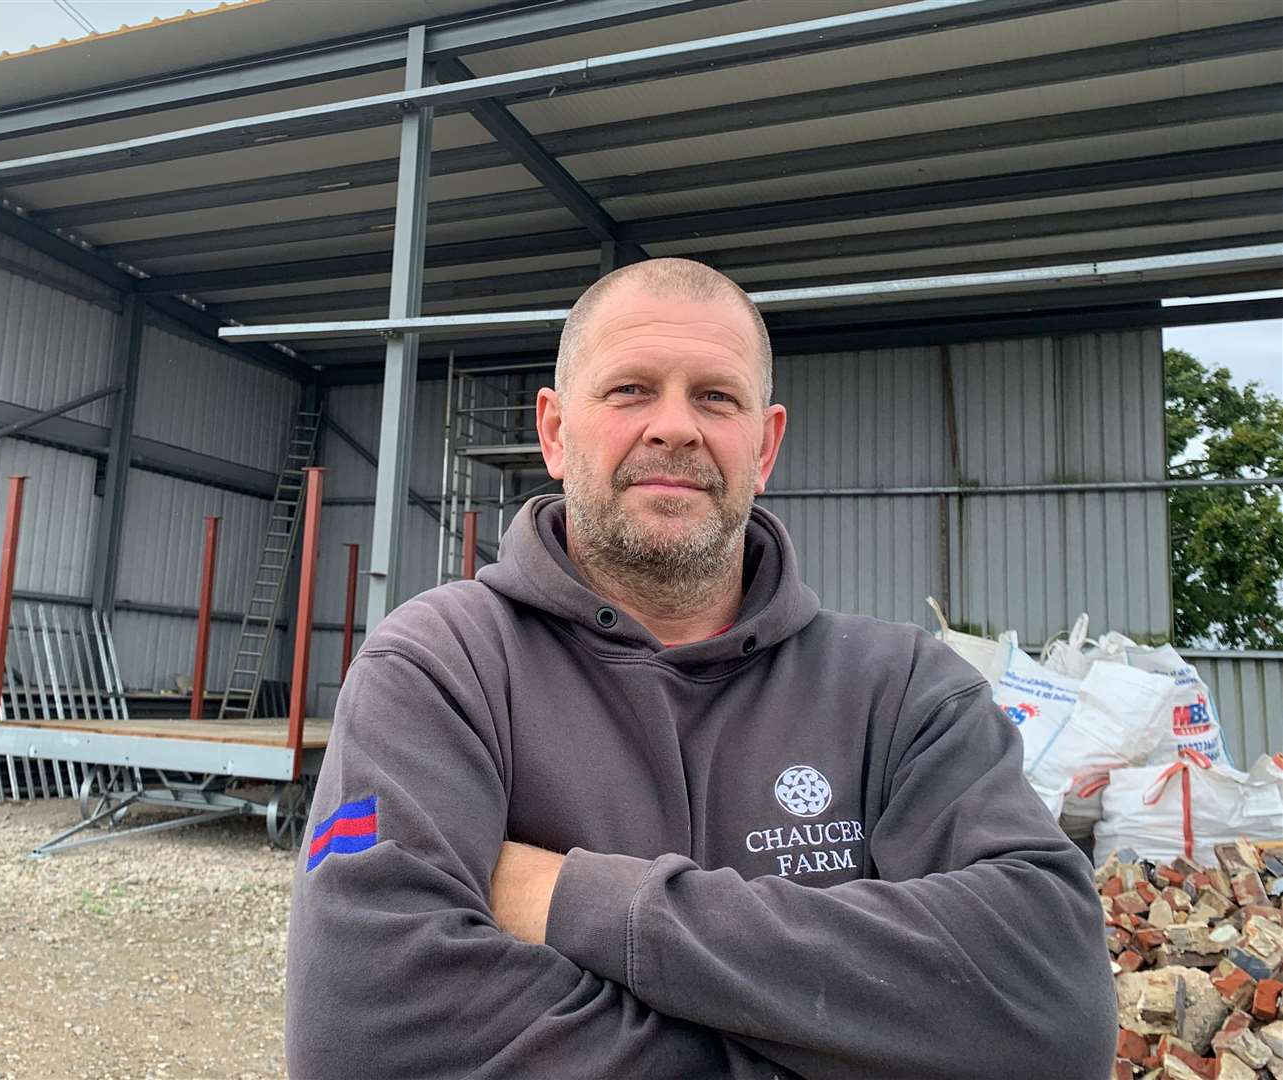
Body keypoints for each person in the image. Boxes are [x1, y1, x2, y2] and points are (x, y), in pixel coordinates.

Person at [284, 258, 1117, 1079]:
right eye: (629, 390)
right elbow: (365, 1038)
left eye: (715, 397)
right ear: (553, 431)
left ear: (765, 445)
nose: (674, 426)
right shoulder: (438, 669)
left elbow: (1054, 1008)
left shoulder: (903, 690)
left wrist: (576, 901)